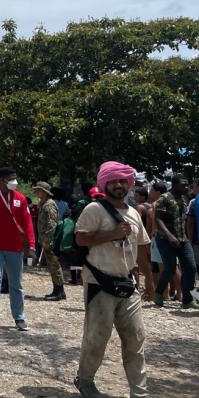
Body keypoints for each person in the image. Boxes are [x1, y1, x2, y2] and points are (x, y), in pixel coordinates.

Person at [73, 161, 153, 398]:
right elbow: (80, 239)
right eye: (113, 181)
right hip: (100, 284)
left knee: (135, 339)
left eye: (122, 181)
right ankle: (85, 380)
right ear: (104, 184)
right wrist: (112, 234)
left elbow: (142, 250)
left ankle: (139, 393)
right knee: (97, 338)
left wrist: (149, 281)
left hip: (128, 286)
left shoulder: (134, 213)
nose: (119, 185)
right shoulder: (93, 210)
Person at [0, 166, 35, 334]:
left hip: (15, 247)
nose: (14, 182)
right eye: (12, 179)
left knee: (16, 283)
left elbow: (28, 223)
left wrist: (31, 245)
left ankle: (19, 317)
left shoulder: (20, 198)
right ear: (2, 181)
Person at [153, 174, 199, 309]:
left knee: (190, 268)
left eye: (187, 184)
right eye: (183, 184)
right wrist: (169, 236)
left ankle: (188, 299)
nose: (186, 187)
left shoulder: (183, 200)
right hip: (165, 239)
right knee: (170, 268)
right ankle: (159, 292)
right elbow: (158, 219)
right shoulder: (164, 198)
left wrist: (187, 238)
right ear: (174, 185)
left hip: (182, 240)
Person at [33, 182, 66, 301]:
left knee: (54, 264)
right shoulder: (43, 204)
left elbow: (52, 224)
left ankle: (59, 291)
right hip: (45, 239)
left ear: (45, 192)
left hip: (50, 240)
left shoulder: (49, 205)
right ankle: (57, 290)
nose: (37, 192)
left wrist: (47, 239)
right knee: (51, 265)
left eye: (39, 190)